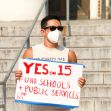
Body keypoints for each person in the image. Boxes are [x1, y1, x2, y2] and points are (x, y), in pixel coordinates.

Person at [15, 15, 86, 111]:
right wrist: (19, 78)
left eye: (59, 28)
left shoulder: (70, 54)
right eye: (52, 28)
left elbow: (74, 83)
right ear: (43, 31)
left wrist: (80, 82)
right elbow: (23, 83)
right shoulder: (30, 53)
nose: (56, 31)